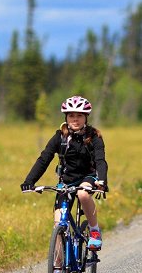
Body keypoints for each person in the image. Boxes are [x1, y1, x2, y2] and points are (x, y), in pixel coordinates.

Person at [21, 95, 108, 256]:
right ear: (66, 117)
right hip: (66, 181)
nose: (75, 119)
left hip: (88, 178)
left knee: (82, 193)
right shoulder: (59, 137)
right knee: (58, 223)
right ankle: (58, 272)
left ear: (86, 117)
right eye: (71, 115)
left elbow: (100, 160)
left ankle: (94, 231)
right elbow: (44, 158)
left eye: (79, 115)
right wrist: (29, 181)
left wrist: (101, 180)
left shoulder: (94, 137)